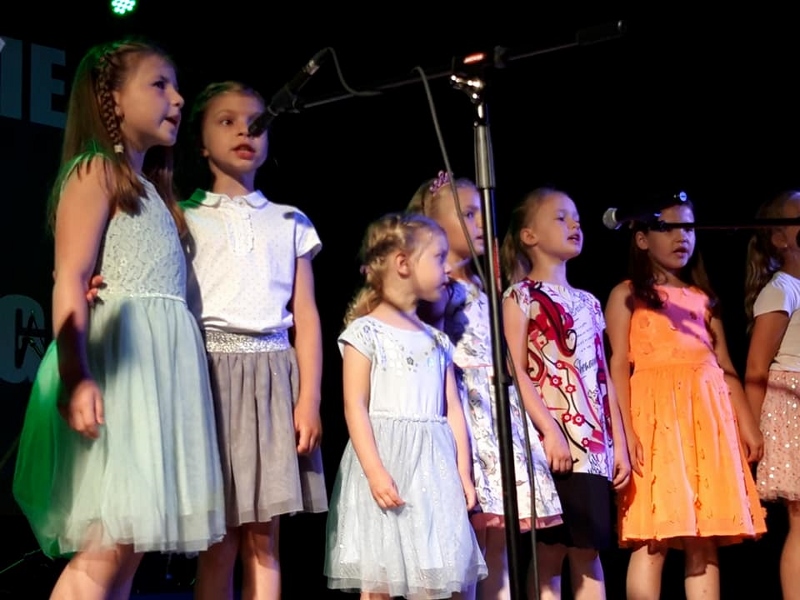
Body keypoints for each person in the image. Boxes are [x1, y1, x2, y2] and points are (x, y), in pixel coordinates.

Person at [11, 38, 226, 600]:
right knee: (106, 546)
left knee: (127, 550)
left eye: (176, 86)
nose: (178, 99)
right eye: (159, 85)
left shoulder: (151, 191)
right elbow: (69, 276)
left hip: (156, 378)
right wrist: (77, 374)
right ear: (111, 98)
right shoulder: (96, 172)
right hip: (118, 374)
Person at [179, 81, 328, 600]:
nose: (245, 131)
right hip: (209, 378)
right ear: (201, 142)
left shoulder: (290, 220)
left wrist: (309, 399)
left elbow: (306, 315)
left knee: (265, 539)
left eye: (256, 123)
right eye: (227, 121)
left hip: (272, 378)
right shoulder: (183, 216)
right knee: (218, 541)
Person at [407, 171, 563, 599]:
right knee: (467, 541)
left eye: (482, 213)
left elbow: (511, 360)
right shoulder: (439, 289)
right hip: (464, 413)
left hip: (499, 416)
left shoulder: (482, 285)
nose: (481, 223)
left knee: (499, 543)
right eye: (468, 214)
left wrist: (545, 426)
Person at [604, 192, 766, 599]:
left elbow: (724, 365)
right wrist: (625, 432)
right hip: (655, 424)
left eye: (689, 228)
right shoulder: (628, 294)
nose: (683, 237)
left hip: (707, 424)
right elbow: (617, 365)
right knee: (653, 536)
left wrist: (747, 424)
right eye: (671, 228)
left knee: (703, 535)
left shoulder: (702, 298)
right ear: (642, 238)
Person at [324, 212, 488, 599]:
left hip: (433, 469)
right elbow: (354, 406)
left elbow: (452, 410)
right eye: (438, 257)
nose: (447, 268)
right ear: (403, 264)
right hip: (386, 463)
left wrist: (463, 473)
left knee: (433, 575)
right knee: (379, 579)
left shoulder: (437, 340)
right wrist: (375, 471)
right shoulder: (365, 333)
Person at [500, 187, 631, 600]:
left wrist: (619, 444)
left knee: (589, 550)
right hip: (552, 444)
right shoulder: (520, 295)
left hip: (593, 446)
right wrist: (550, 431)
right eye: (560, 217)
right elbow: (516, 369)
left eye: (576, 218)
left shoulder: (589, 302)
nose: (574, 225)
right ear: (529, 235)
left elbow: (604, 378)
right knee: (550, 551)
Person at [743, 190, 800, 600]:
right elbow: (756, 369)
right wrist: (751, 433)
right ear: (780, 238)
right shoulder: (782, 289)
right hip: (791, 407)